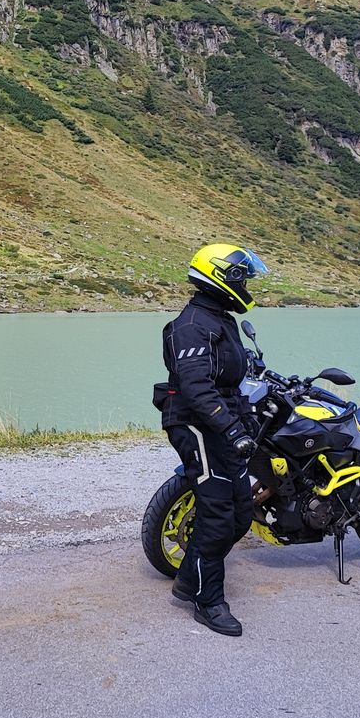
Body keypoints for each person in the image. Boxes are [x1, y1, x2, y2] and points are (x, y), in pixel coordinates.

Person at [159, 242, 268, 637]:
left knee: (241, 514)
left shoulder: (220, 319)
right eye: (243, 277)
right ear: (221, 277)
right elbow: (196, 388)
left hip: (220, 424)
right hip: (195, 425)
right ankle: (208, 602)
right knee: (218, 514)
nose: (248, 285)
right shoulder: (191, 325)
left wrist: (245, 416)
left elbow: (228, 380)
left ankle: (189, 579)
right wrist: (231, 428)